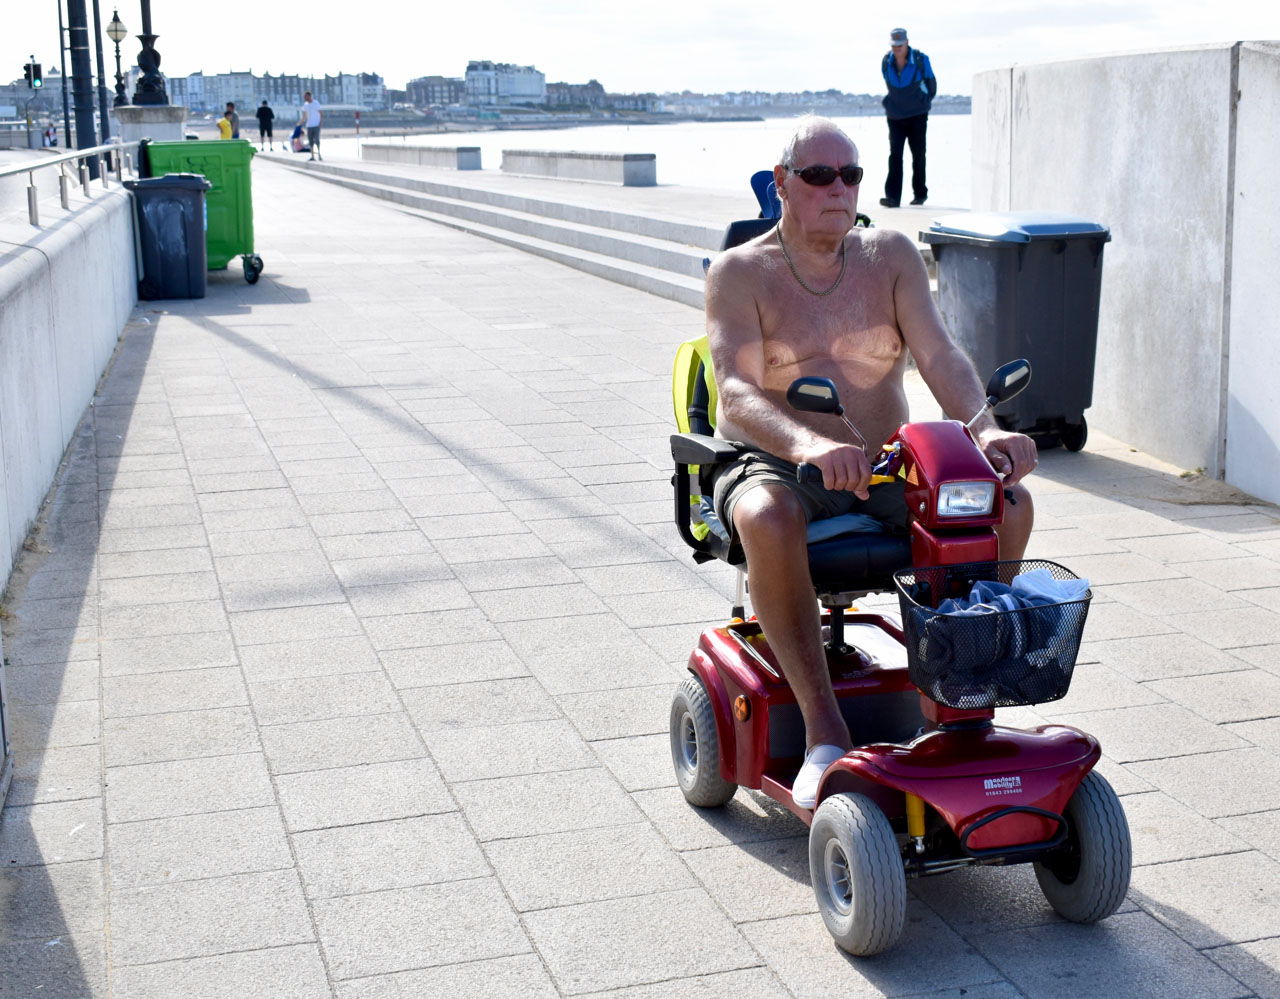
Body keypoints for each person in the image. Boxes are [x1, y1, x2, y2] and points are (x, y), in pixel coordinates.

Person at [704, 116, 1037, 807]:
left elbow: (940, 353)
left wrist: (985, 427)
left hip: (885, 463)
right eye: (818, 175)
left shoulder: (890, 256)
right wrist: (810, 445)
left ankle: (954, 701)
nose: (837, 188)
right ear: (782, 185)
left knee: (1006, 501)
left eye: (849, 174)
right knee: (765, 515)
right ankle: (826, 729)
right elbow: (734, 392)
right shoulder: (741, 272)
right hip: (777, 460)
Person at [879, 27, 936, 207]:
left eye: (900, 45)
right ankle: (892, 197)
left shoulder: (920, 59)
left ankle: (920, 194)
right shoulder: (886, 61)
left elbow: (932, 85)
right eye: (894, 45)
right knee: (895, 155)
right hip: (895, 116)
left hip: (917, 115)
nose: (897, 48)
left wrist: (921, 102)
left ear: (907, 43)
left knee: (918, 154)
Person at [299, 91, 322, 161]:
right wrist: (300, 123)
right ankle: (312, 156)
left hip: (316, 124)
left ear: (309, 96)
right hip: (309, 125)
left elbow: (321, 113)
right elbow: (304, 116)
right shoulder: (305, 105)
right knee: (310, 141)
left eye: (305, 96)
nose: (304, 98)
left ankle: (319, 154)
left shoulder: (316, 103)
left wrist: (320, 123)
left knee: (317, 140)